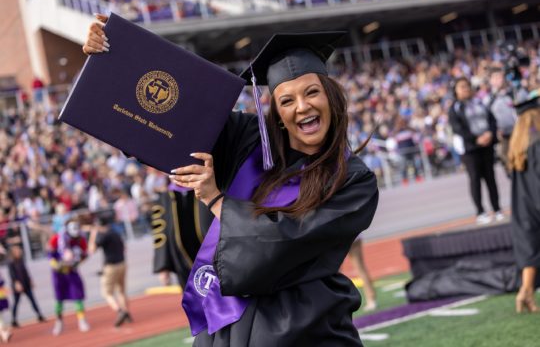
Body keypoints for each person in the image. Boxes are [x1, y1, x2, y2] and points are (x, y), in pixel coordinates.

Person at [84, 20, 379, 346]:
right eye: (287, 100)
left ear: (332, 98)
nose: (302, 106)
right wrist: (113, 60)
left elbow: (286, 240)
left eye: (312, 92)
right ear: (277, 113)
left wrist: (216, 200)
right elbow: (166, 123)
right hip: (224, 327)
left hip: (304, 328)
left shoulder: (353, 180)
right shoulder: (248, 140)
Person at [449, 77, 504, 225]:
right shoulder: (455, 108)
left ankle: (497, 209)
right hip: (470, 150)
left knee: (490, 178)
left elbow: (492, 119)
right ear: (456, 91)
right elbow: (458, 128)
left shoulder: (480, 102)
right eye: (462, 87)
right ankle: (480, 212)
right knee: (475, 179)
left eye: (467, 86)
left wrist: (490, 134)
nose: (466, 89)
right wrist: (476, 139)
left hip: (487, 146)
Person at [507, 93, 540, 313]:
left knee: (531, 250)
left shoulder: (516, 148)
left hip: (522, 208)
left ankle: (525, 292)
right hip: (537, 202)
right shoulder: (538, 145)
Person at [48, 220, 90, 335]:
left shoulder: (80, 239)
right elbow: (50, 253)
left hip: (72, 272)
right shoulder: (57, 238)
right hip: (59, 274)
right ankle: (59, 322)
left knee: (78, 296)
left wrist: (77, 263)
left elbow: (84, 255)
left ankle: (81, 320)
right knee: (59, 299)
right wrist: (56, 264)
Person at [88, 222, 132, 327]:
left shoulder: (104, 235)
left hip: (111, 267)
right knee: (121, 290)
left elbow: (91, 250)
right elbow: (124, 248)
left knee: (107, 293)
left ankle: (120, 311)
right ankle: (126, 312)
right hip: (122, 264)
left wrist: (93, 234)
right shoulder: (116, 233)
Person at [486, 67, 516, 176]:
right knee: (507, 162)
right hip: (502, 136)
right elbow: (488, 119)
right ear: (490, 80)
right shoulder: (489, 99)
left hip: (517, 132)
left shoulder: (513, 92)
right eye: (495, 77)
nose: (499, 80)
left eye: (500, 76)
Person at [7, 244, 45, 328]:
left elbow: (25, 271)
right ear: (13, 252)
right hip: (18, 286)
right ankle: (14, 320)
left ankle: (39, 315)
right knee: (16, 303)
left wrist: (30, 280)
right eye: (17, 250)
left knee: (32, 300)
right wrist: (16, 283)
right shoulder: (11, 262)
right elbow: (12, 274)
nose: (19, 251)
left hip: (26, 284)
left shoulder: (21, 260)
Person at [348, 238, 377, 311]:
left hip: (338, 234)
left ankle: (371, 299)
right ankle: (371, 299)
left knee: (359, 266)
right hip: (352, 232)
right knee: (360, 266)